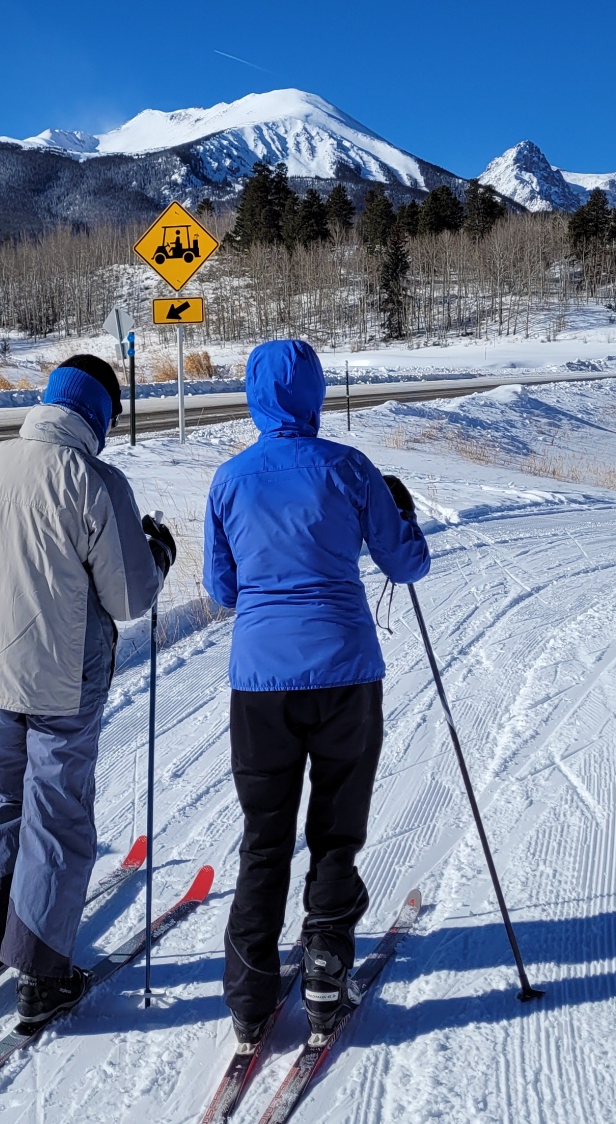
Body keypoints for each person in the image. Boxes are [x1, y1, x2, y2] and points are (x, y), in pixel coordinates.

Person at [203, 338, 430, 1045]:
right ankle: (327, 963)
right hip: (346, 671)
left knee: (263, 836)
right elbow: (406, 563)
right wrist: (403, 512)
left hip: (261, 680)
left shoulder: (230, 479)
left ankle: (248, 995)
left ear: (253, 394)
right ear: (315, 393)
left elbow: (221, 588)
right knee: (335, 830)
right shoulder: (350, 468)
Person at [0, 355, 177, 1024]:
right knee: (58, 812)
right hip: (60, 681)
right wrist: (156, 551)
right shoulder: (95, 479)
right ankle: (41, 971)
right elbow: (130, 596)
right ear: (99, 413)